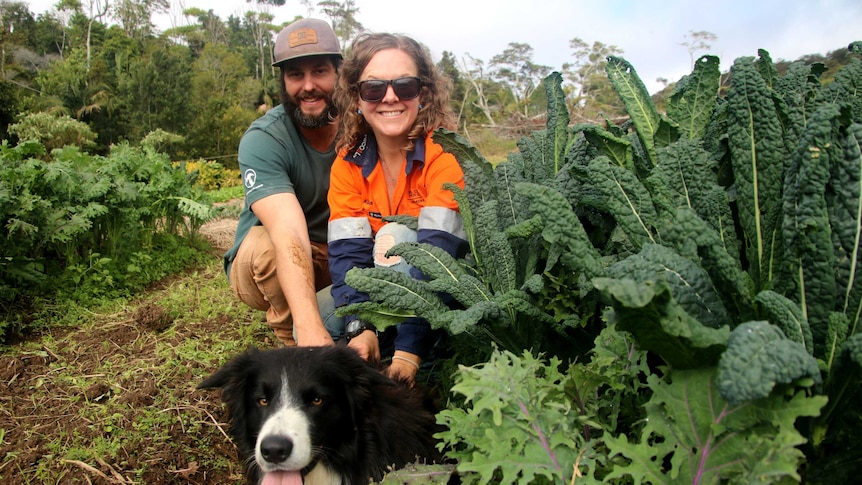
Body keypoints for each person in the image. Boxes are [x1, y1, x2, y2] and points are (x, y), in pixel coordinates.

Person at [327, 33, 469, 383]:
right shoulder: (347, 164)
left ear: (423, 94)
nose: (390, 97)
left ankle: (426, 358)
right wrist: (360, 325)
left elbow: (439, 261)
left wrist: (408, 354)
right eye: (374, 88)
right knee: (317, 321)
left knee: (395, 236)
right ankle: (379, 345)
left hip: (450, 294)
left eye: (404, 86)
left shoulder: (445, 156)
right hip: (383, 289)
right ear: (357, 98)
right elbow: (348, 255)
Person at [223, 18, 342, 348]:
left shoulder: (362, 126)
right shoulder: (265, 138)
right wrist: (309, 329)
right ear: (283, 81)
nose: (308, 86)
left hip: (342, 252)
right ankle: (292, 340)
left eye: (319, 71)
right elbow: (288, 232)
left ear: (339, 74)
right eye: (295, 75)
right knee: (271, 247)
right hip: (276, 256)